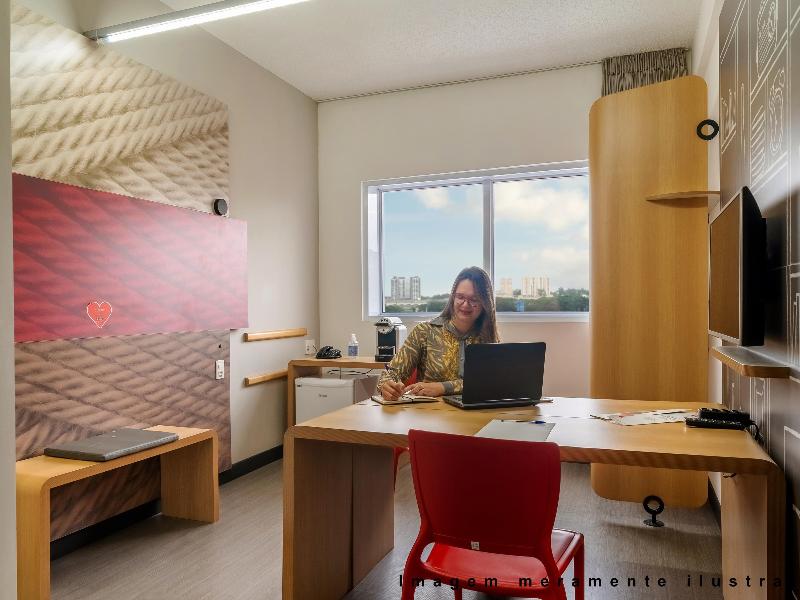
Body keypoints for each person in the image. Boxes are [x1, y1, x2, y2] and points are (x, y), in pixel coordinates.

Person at [378, 266, 499, 400]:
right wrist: (386, 385)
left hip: (476, 410)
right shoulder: (424, 331)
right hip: (430, 410)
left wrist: (442, 387)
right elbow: (391, 373)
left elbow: (491, 382)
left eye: (474, 299)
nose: (465, 304)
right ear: (453, 298)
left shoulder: (488, 337)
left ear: (485, 303)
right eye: (460, 297)